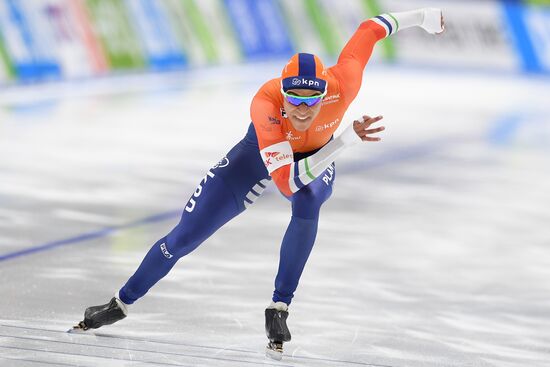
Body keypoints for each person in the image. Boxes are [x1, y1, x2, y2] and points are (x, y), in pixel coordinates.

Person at [73, 7, 444, 359]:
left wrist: (423, 18)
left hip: (315, 155)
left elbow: (371, 28)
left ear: (324, 92)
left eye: (311, 99)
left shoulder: (344, 82)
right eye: (294, 98)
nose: (302, 109)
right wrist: (345, 140)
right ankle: (121, 302)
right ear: (282, 93)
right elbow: (285, 183)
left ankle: (279, 306)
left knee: (309, 199)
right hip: (260, 153)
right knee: (184, 237)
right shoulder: (265, 103)